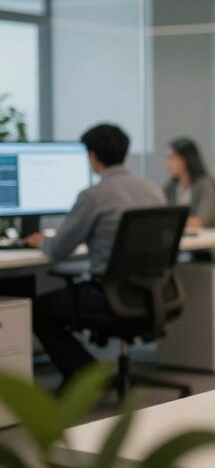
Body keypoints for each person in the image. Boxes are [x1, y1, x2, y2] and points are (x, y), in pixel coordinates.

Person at [26, 124, 166, 385]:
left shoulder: (94, 196)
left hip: (108, 296)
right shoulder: (152, 189)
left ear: (92, 156)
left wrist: (40, 241)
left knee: (36, 309)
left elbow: (58, 250)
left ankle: (86, 375)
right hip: (153, 292)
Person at [164, 137, 215, 229]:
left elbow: (200, 221)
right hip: (184, 239)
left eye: (172, 158)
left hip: (208, 239)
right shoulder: (170, 186)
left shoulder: (205, 185)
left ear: (185, 159)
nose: (168, 164)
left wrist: (169, 221)